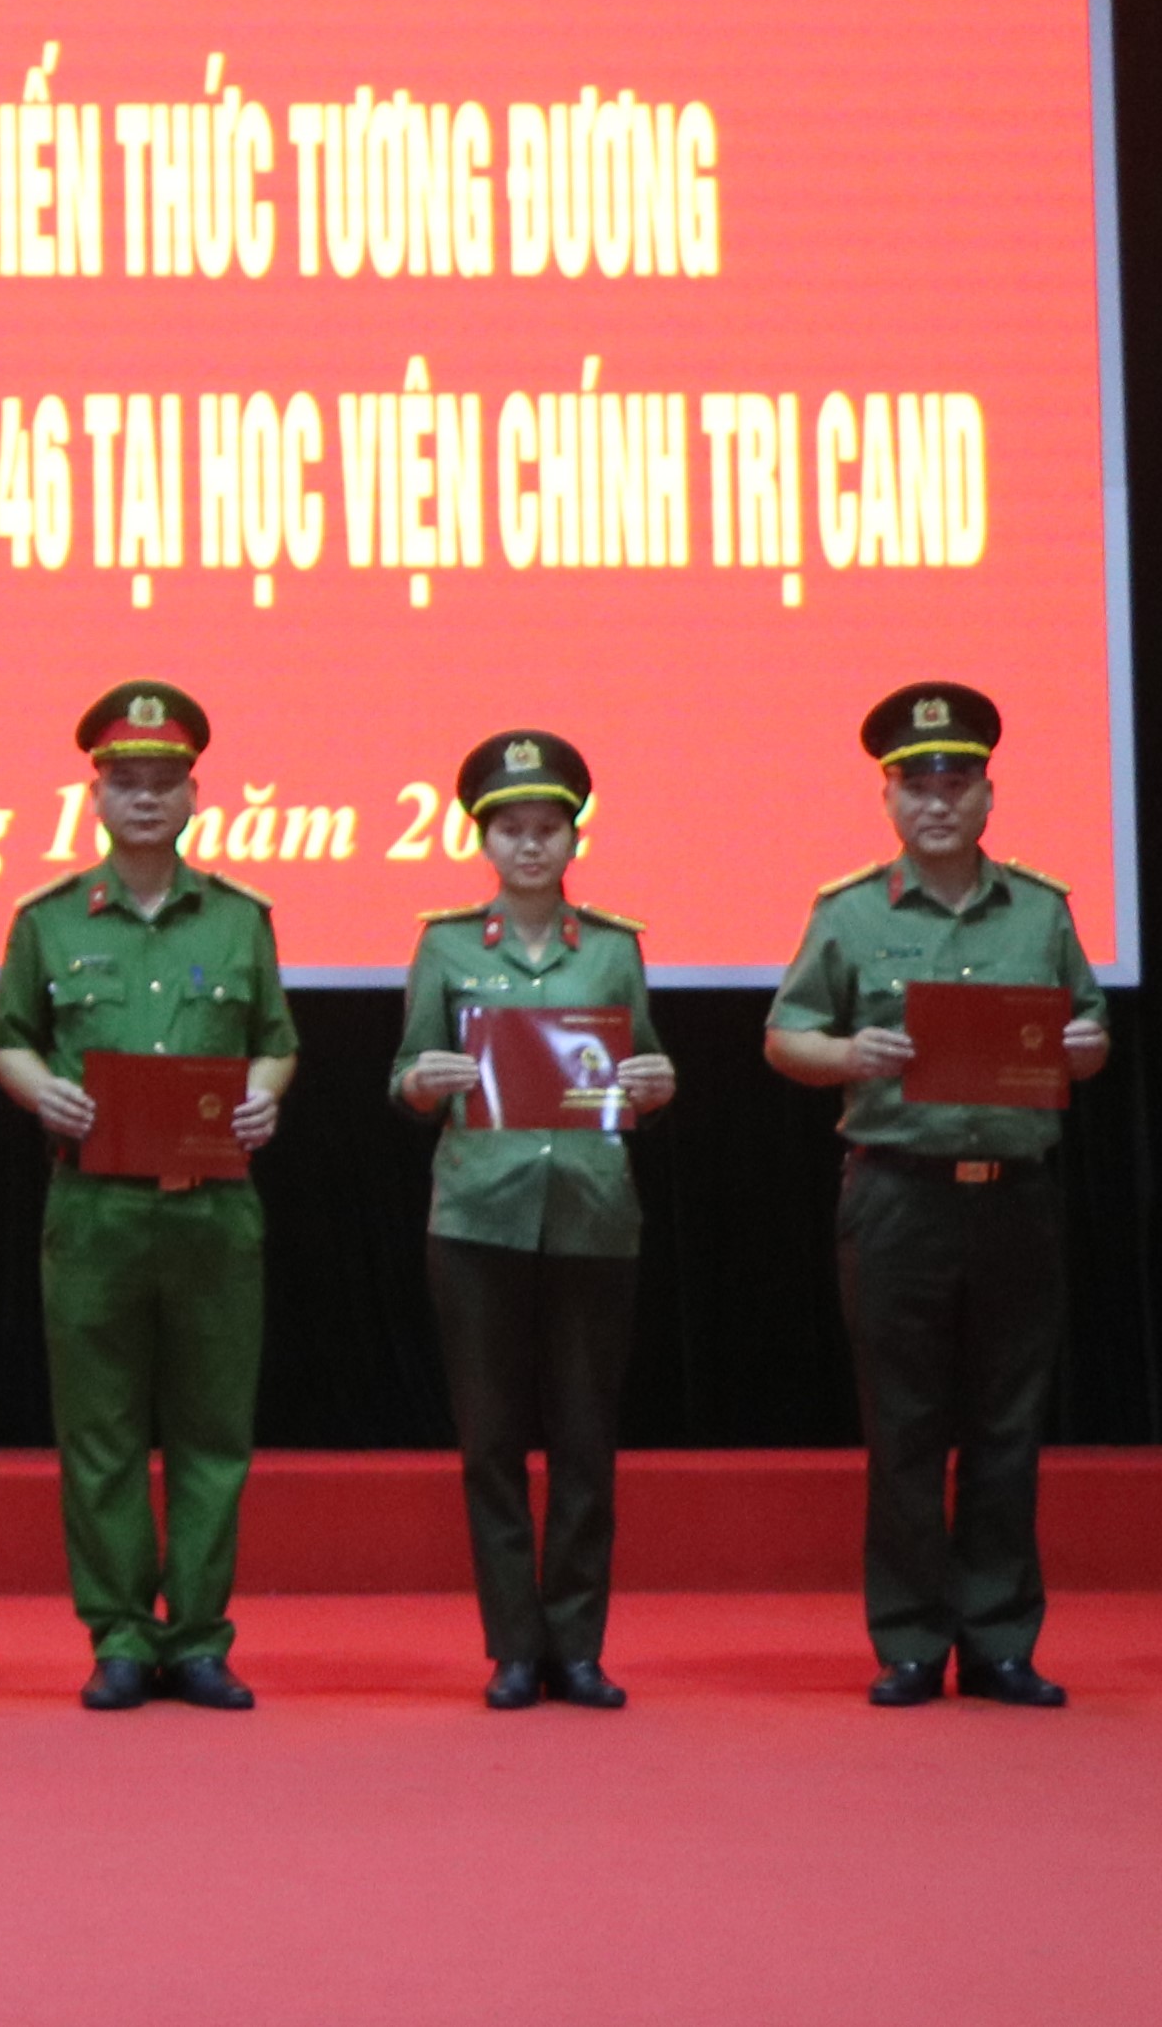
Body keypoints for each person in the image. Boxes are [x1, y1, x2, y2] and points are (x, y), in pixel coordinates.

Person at [763, 680, 1109, 1709]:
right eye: (916, 785)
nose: (937, 802)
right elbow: (784, 1037)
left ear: (988, 795)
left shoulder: (1040, 909)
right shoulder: (848, 912)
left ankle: (999, 1640)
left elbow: (1090, 1034)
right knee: (904, 1425)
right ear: (889, 800)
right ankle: (911, 1639)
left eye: (956, 782)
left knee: (1007, 1425)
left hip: (1014, 1197)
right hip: (897, 1196)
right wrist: (847, 1053)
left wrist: (1083, 1045)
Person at [0, 679, 294, 1711]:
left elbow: (275, 1042)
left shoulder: (241, 919)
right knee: (101, 1433)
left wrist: (263, 1097)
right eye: (125, 781)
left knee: (212, 1433)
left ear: (195, 794)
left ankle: (197, 1638)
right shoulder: (48, 920)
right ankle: (118, 1633)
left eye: (164, 780)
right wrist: (41, 1093)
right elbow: (6, 1040)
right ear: (96, 796)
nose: (145, 797)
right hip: (97, 1208)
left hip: (213, 1209)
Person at [390, 728, 674, 1710]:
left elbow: (644, 1070)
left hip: (593, 1215)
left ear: (572, 838)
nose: (529, 845)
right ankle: (514, 1645)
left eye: (547, 828)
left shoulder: (615, 948)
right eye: (509, 829)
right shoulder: (446, 945)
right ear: (483, 839)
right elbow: (406, 1074)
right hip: (478, 1216)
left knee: (586, 1443)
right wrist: (422, 1081)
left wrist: (657, 1084)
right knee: (492, 1443)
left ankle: (578, 1646)